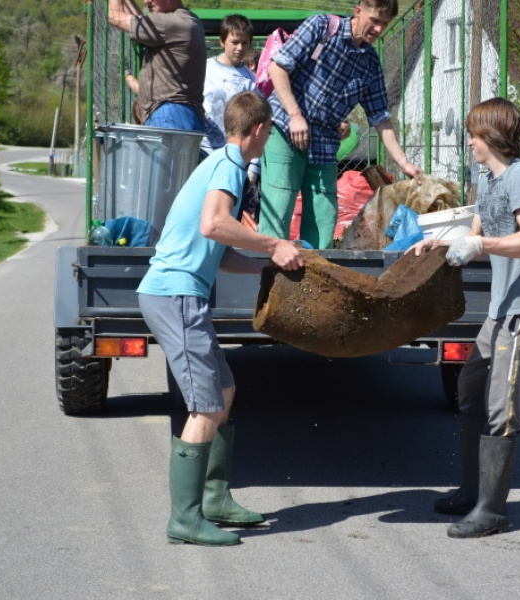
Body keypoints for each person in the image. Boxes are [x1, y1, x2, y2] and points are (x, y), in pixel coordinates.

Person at [137, 92, 304, 546]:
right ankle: (184, 519)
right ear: (259, 130)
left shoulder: (218, 164)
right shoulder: (230, 166)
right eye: (270, 131)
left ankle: (214, 500)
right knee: (207, 407)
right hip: (176, 296)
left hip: (178, 294)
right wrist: (274, 244)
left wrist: (267, 266)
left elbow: (219, 250)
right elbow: (214, 224)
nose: (269, 138)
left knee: (224, 391)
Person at [407, 97, 520, 538]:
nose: (469, 142)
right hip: (501, 307)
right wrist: (440, 244)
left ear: (492, 136)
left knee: (500, 406)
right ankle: (472, 491)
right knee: (470, 390)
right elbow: (476, 231)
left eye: (474, 135)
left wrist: (481, 246)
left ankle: (492, 511)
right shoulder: (487, 179)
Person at [259, 0, 424, 249]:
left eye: (385, 24)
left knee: (323, 221)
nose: (379, 29)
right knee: (278, 212)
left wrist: (404, 163)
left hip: (324, 145)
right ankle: (264, 269)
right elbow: (278, 67)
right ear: (358, 11)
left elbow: (380, 117)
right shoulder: (321, 28)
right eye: (375, 21)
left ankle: (313, 271)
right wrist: (295, 115)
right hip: (285, 129)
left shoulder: (370, 64)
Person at [199, 14, 261, 228]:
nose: (239, 48)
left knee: (228, 217)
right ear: (222, 41)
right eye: (235, 42)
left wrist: (254, 166)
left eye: (245, 43)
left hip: (235, 161)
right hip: (203, 154)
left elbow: (257, 125)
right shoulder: (204, 70)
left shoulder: (251, 82)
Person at [108, 0, 206, 132]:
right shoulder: (188, 19)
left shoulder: (170, 23)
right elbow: (142, 22)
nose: (146, 1)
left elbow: (114, 17)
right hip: (181, 115)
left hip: (169, 116)